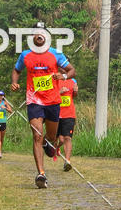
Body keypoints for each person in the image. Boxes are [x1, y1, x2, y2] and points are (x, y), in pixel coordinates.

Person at [11, 26, 76, 188]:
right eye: (36, 33)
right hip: (34, 101)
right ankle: (41, 174)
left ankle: (48, 143)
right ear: (32, 37)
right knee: (37, 136)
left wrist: (64, 76)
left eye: (43, 33)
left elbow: (71, 70)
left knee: (52, 137)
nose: (39, 35)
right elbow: (16, 70)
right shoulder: (25, 55)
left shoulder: (55, 53)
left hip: (53, 101)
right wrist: (14, 82)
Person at [55, 74, 78, 172]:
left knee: (67, 138)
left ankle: (67, 161)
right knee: (60, 139)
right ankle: (56, 148)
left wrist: (76, 91)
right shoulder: (55, 80)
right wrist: (59, 92)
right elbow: (49, 95)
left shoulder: (73, 81)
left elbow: (74, 96)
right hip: (56, 114)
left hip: (69, 114)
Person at [0, 91, 12, 159]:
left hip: (3, 122)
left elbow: (11, 111)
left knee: (2, 138)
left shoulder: (5, 103)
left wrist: (5, 108)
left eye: (2, 95)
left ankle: (0, 148)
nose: (0, 97)